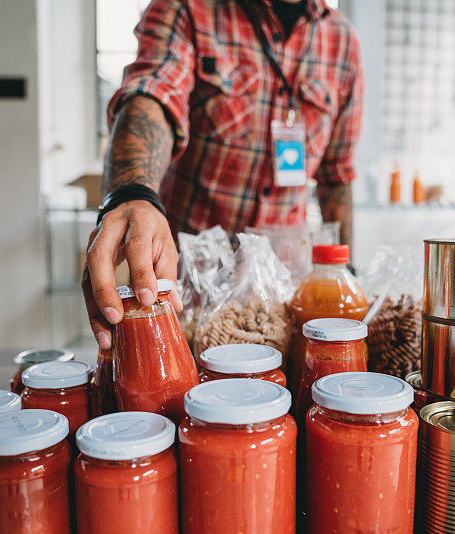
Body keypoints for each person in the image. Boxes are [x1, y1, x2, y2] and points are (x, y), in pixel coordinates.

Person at [83, 0, 364, 350]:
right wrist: (132, 194)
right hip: (189, 292)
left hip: (278, 298)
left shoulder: (342, 40)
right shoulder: (189, 8)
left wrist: (346, 272)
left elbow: (337, 175)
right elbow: (153, 96)